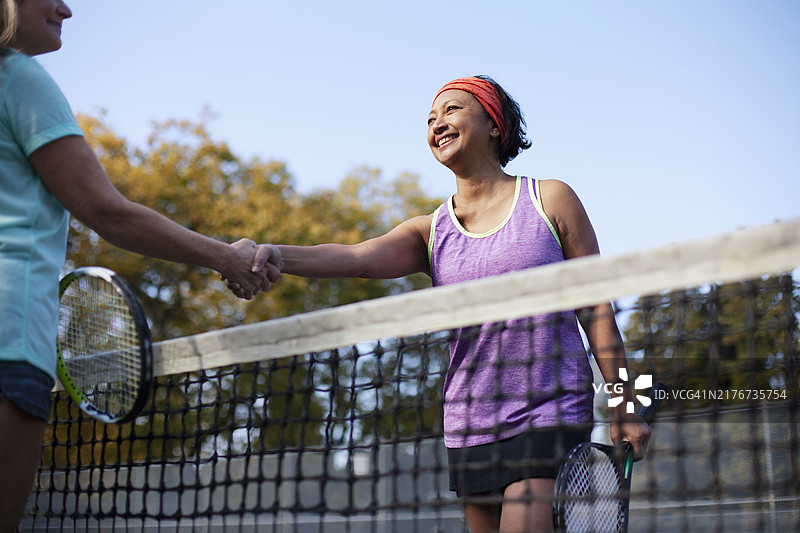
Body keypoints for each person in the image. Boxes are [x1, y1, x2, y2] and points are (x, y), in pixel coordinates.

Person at [242, 75, 651, 531]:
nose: (438, 123)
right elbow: (357, 258)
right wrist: (275, 254)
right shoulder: (430, 231)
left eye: (452, 109)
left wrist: (626, 404)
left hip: (548, 411)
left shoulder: (550, 198)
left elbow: (596, 309)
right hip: (469, 421)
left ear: (495, 125)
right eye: (431, 119)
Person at [0, 2, 281, 531]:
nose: (66, 7)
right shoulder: (17, 77)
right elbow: (106, 211)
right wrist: (227, 256)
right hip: (8, 344)